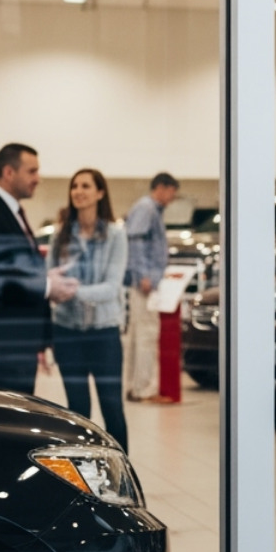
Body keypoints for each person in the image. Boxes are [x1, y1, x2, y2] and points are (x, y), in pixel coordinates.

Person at [0, 143, 77, 393]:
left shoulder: (8, 212)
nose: (38, 178)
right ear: (9, 173)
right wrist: (47, 286)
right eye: (32, 171)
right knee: (8, 421)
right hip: (4, 340)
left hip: (16, 338)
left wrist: (44, 277)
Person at [50, 169, 130, 450]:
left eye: (85, 186)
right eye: (74, 186)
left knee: (112, 408)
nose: (78, 191)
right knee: (77, 411)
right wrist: (56, 289)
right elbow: (51, 279)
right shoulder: (61, 235)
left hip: (104, 333)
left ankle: (122, 479)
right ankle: (86, 479)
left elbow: (111, 288)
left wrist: (70, 291)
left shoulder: (115, 236)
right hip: (66, 332)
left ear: (100, 193)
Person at [124, 171, 180, 402]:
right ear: (162, 188)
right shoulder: (147, 208)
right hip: (143, 284)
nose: (171, 199)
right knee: (146, 334)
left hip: (142, 282)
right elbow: (135, 243)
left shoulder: (148, 209)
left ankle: (135, 386)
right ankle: (144, 389)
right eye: (171, 193)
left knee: (138, 335)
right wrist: (144, 275)